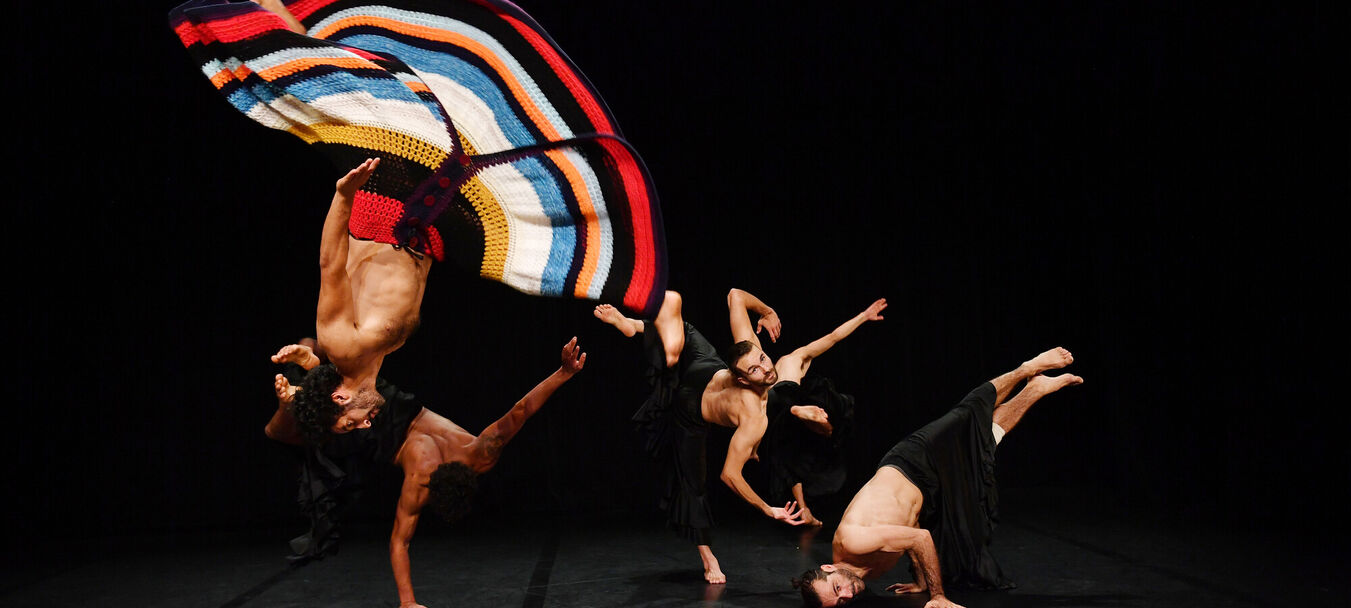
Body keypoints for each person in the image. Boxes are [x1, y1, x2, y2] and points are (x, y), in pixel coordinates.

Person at [168, 0, 670, 325]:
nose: (366, 422)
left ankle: (269, 19)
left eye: (352, 420)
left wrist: (343, 196)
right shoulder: (374, 362)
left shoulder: (345, 347)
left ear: (339, 399)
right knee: (344, 82)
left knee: (326, 82)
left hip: (381, 218)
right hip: (425, 226)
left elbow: (329, 266)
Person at [267, 337, 587, 607]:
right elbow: (398, 542)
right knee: (285, 432)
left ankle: (308, 365)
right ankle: (300, 381)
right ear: (434, 490)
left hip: (399, 406)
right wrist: (408, 602)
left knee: (336, 370)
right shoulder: (418, 482)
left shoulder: (479, 455)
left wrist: (564, 372)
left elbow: (521, 410)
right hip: (382, 434)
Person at [792, 347, 1084, 608]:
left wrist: (937, 595)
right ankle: (1036, 390)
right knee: (984, 443)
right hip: (925, 489)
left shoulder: (855, 544)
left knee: (966, 414)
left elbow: (919, 538)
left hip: (911, 462)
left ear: (829, 568)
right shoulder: (860, 573)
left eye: (837, 589)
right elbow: (908, 530)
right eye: (840, 603)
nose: (846, 595)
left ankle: (1028, 368)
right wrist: (920, 581)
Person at [725, 289, 887, 527]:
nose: (765, 368)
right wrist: (765, 311)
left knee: (796, 438)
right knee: (788, 453)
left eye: (762, 360)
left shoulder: (788, 362)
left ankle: (802, 414)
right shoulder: (749, 361)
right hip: (781, 418)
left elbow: (832, 338)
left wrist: (863, 316)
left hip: (791, 412)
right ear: (744, 378)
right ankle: (805, 509)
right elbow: (734, 295)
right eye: (754, 370)